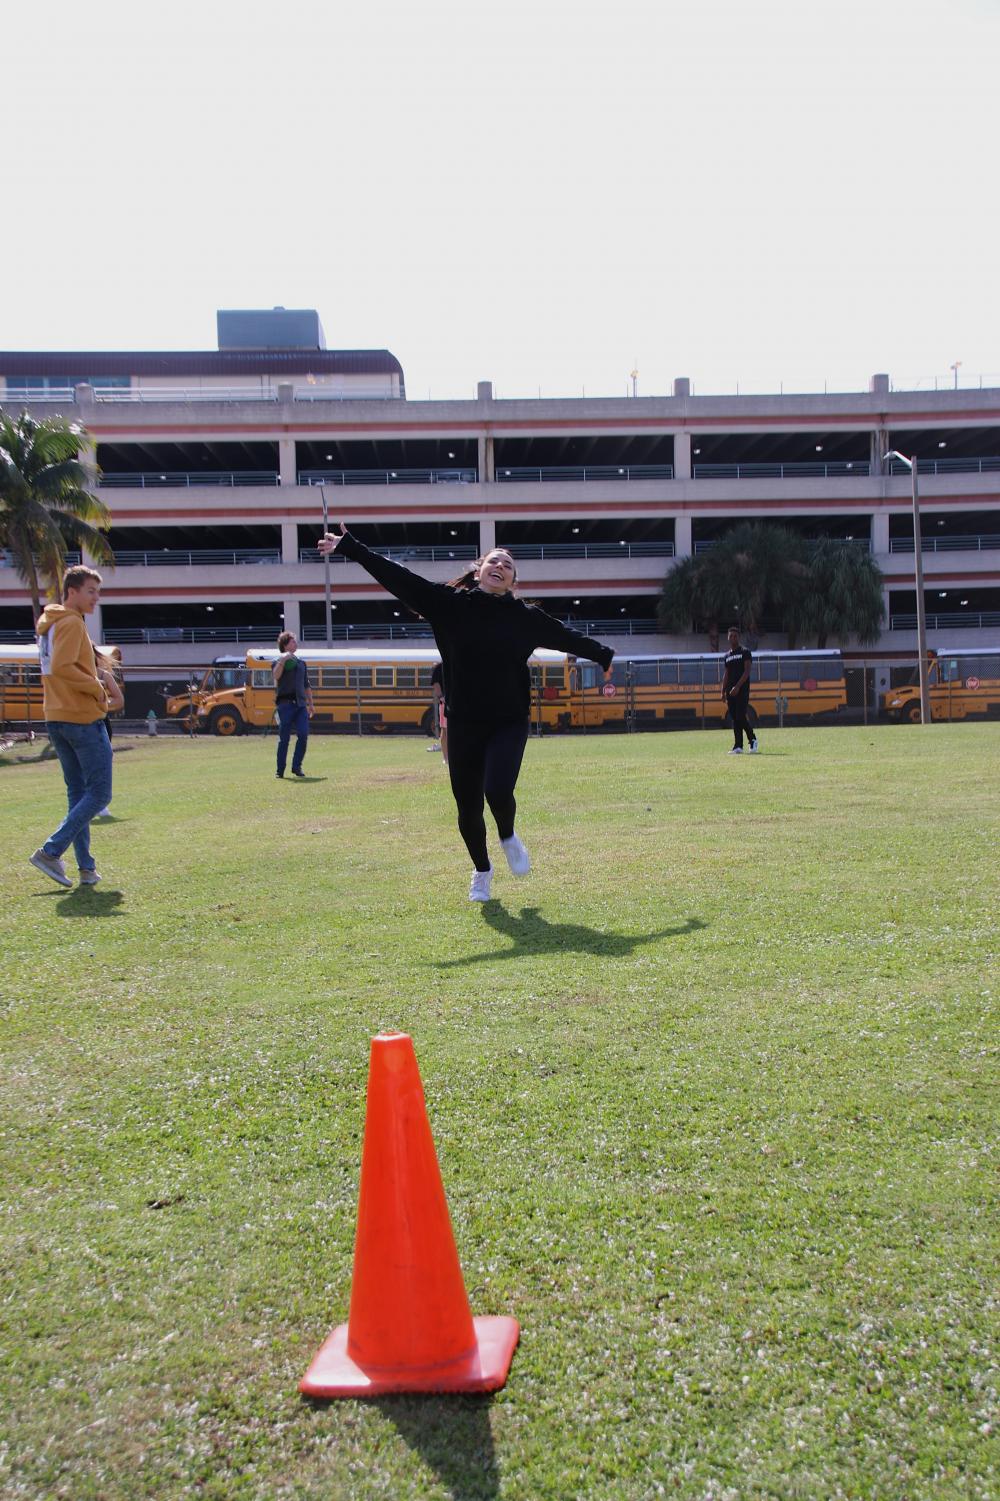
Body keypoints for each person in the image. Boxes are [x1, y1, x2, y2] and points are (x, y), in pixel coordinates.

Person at [318, 526, 614, 900]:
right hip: (463, 724)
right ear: (479, 570)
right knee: (468, 809)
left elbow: (568, 637)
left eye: (508, 565)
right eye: (495, 560)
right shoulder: (449, 605)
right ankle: (482, 871)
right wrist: (350, 547)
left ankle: (508, 836)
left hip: (508, 721)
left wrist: (603, 655)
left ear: (511, 581)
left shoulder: (526, 618)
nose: (501, 566)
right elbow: (399, 578)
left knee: (498, 789)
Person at [29, 565, 123, 888]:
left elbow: (55, 668)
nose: (96, 598)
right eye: (91, 591)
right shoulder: (71, 622)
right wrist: (96, 687)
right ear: (72, 592)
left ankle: (86, 868)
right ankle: (51, 851)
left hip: (56, 715)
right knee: (100, 794)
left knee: (79, 794)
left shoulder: (49, 624)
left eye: (97, 591)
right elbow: (62, 668)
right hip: (81, 718)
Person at [272, 630, 314, 777]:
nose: (296, 643)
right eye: (292, 641)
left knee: (303, 734)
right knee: (284, 738)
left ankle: (297, 767)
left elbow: (306, 685)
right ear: (284, 645)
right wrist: (283, 660)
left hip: (301, 705)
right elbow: (276, 676)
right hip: (285, 705)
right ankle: (280, 770)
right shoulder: (278, 662)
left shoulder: (302, 663)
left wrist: (311, 704)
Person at [94, 645, 123, 817]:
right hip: (79, 723)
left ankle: (101, 804)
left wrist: (101, 706)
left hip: (100, 723)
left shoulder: (103, 675)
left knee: (103, 762)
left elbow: (119, 701)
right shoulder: (73, 674)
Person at [721, 625, 759, 754]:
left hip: (741, 690)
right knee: (734, 718)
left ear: (739, 637)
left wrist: (737, 686)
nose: (733, 638)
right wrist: (722, 691)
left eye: (735, 636)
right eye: (730, 636)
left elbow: (747, 671)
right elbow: (726, 674)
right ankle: (738, 746)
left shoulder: (745, 652)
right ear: (728, 638)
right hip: (730, 692)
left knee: (740, 716)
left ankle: (752, 739)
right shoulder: (726, 656)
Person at [429, 660, 448, 763]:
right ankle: (445, 757)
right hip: (445, 703)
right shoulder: (438, 668)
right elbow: (436, 685)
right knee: (445, 731)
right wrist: (442, 697)